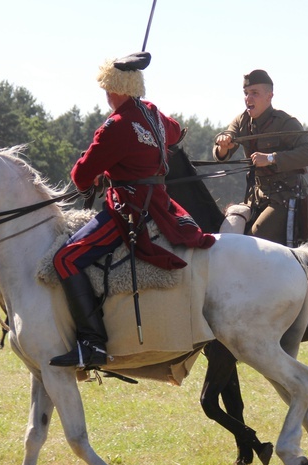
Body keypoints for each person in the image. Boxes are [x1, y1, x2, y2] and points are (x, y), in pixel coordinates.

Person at [49, 52, 216, 368]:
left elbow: (81, 177)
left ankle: (92, 343)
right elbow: (177, 131)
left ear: (116, 89)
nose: (105, 96)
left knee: (65, 258)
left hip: (129, 209)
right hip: (162, 206)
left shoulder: (115, 126)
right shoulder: (152, 113)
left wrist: (102, 168)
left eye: (107, 90)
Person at [213, 69, 308, 246]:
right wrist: (223, 145)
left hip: (286, 197)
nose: (248, 98)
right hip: (256, 198)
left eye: (255, 93)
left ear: (269, 96)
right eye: (246, 93)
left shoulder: (285, 122)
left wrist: (271, 158)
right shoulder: (242, 121)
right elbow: (223, 148)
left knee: (254, 241)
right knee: (225, 235)